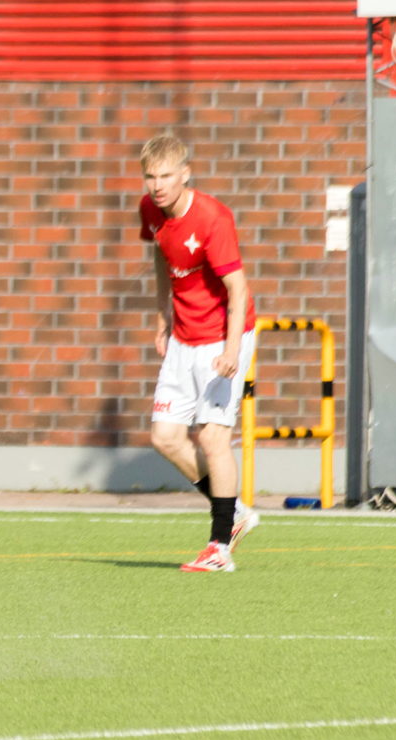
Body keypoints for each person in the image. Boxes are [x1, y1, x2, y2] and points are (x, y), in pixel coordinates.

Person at [137, 135, 260, 573]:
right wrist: (162, 317)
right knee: (165, 437)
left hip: (222, 338)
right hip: (183, 337)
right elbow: (160, 256)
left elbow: (238, 289)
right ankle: (235, 512)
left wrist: (232, 350)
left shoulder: (212, 218)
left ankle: (219, 547)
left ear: (185, 174)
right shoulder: (150, 209)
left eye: (166, 175)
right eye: (150, 176)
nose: (157, 185)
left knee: (212, 437)